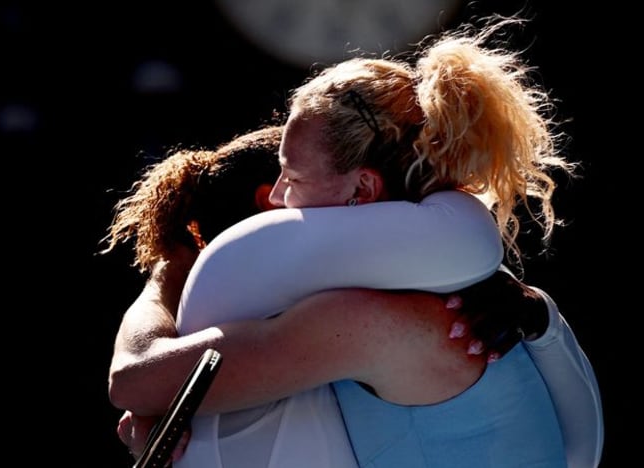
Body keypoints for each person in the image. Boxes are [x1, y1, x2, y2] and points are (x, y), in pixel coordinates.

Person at [107, 17, 602, 468]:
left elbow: (135, 379)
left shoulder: (369, 320)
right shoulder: (474, 295)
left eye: (291, 176)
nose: (279, 197)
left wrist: (171, 262)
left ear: (363, 189)